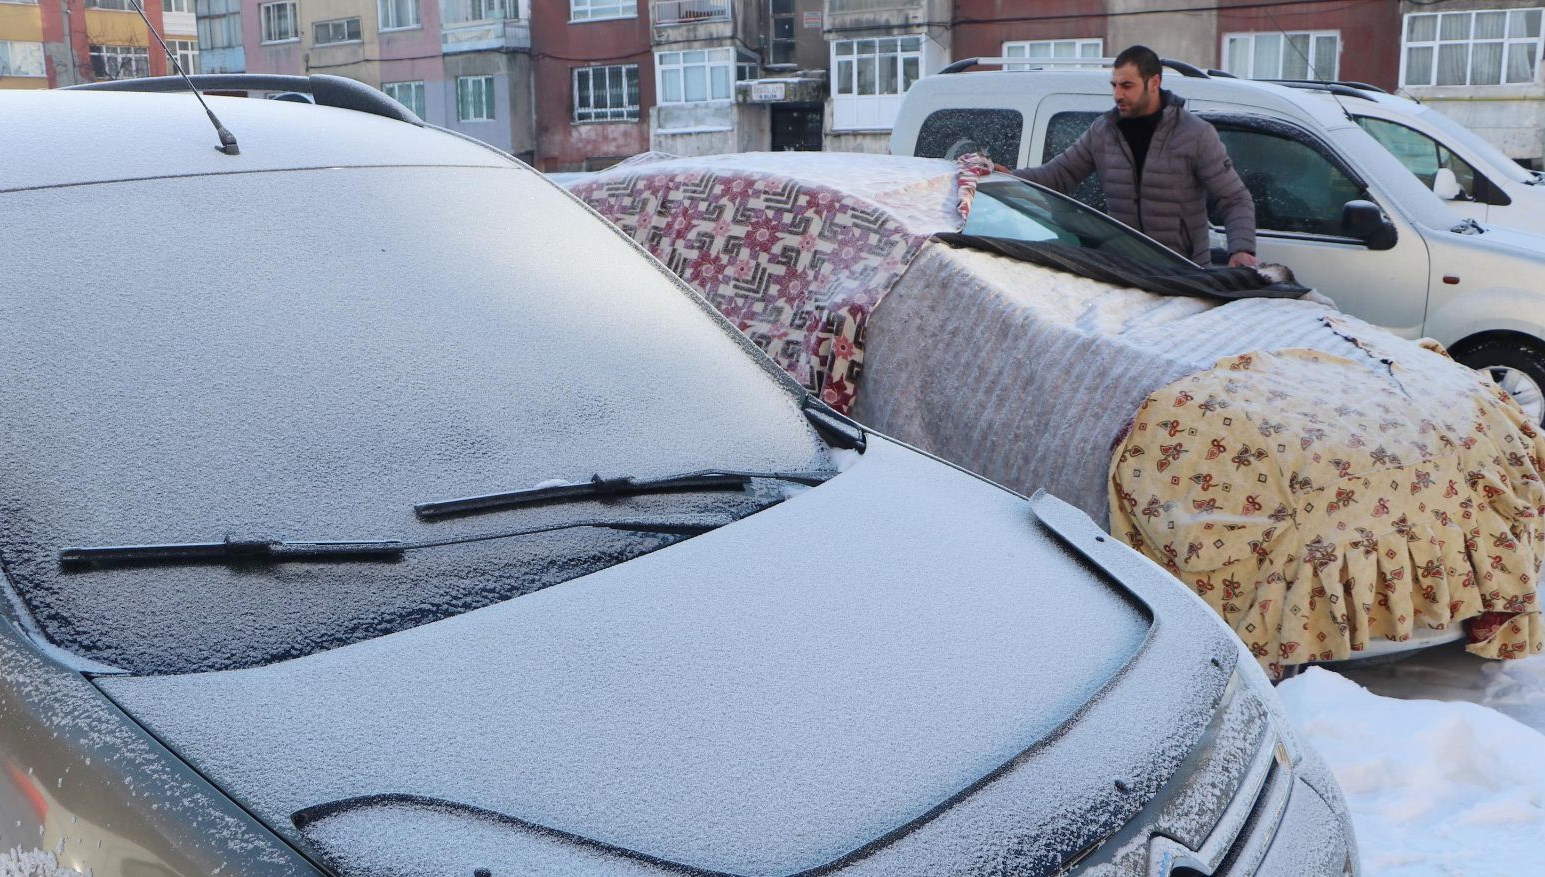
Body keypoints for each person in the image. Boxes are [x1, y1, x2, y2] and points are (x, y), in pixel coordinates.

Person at [1012, 45, 1258, 268]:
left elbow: (1235, 198)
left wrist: (1241, 249)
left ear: (1154, 83)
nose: (1118, 94)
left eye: (1127, 86)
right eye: (1114, 85)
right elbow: (1058, 175)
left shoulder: (1195, 134)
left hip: (1185, 274)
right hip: (1127, 272)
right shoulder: (1103, 131)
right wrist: (1006, 176)